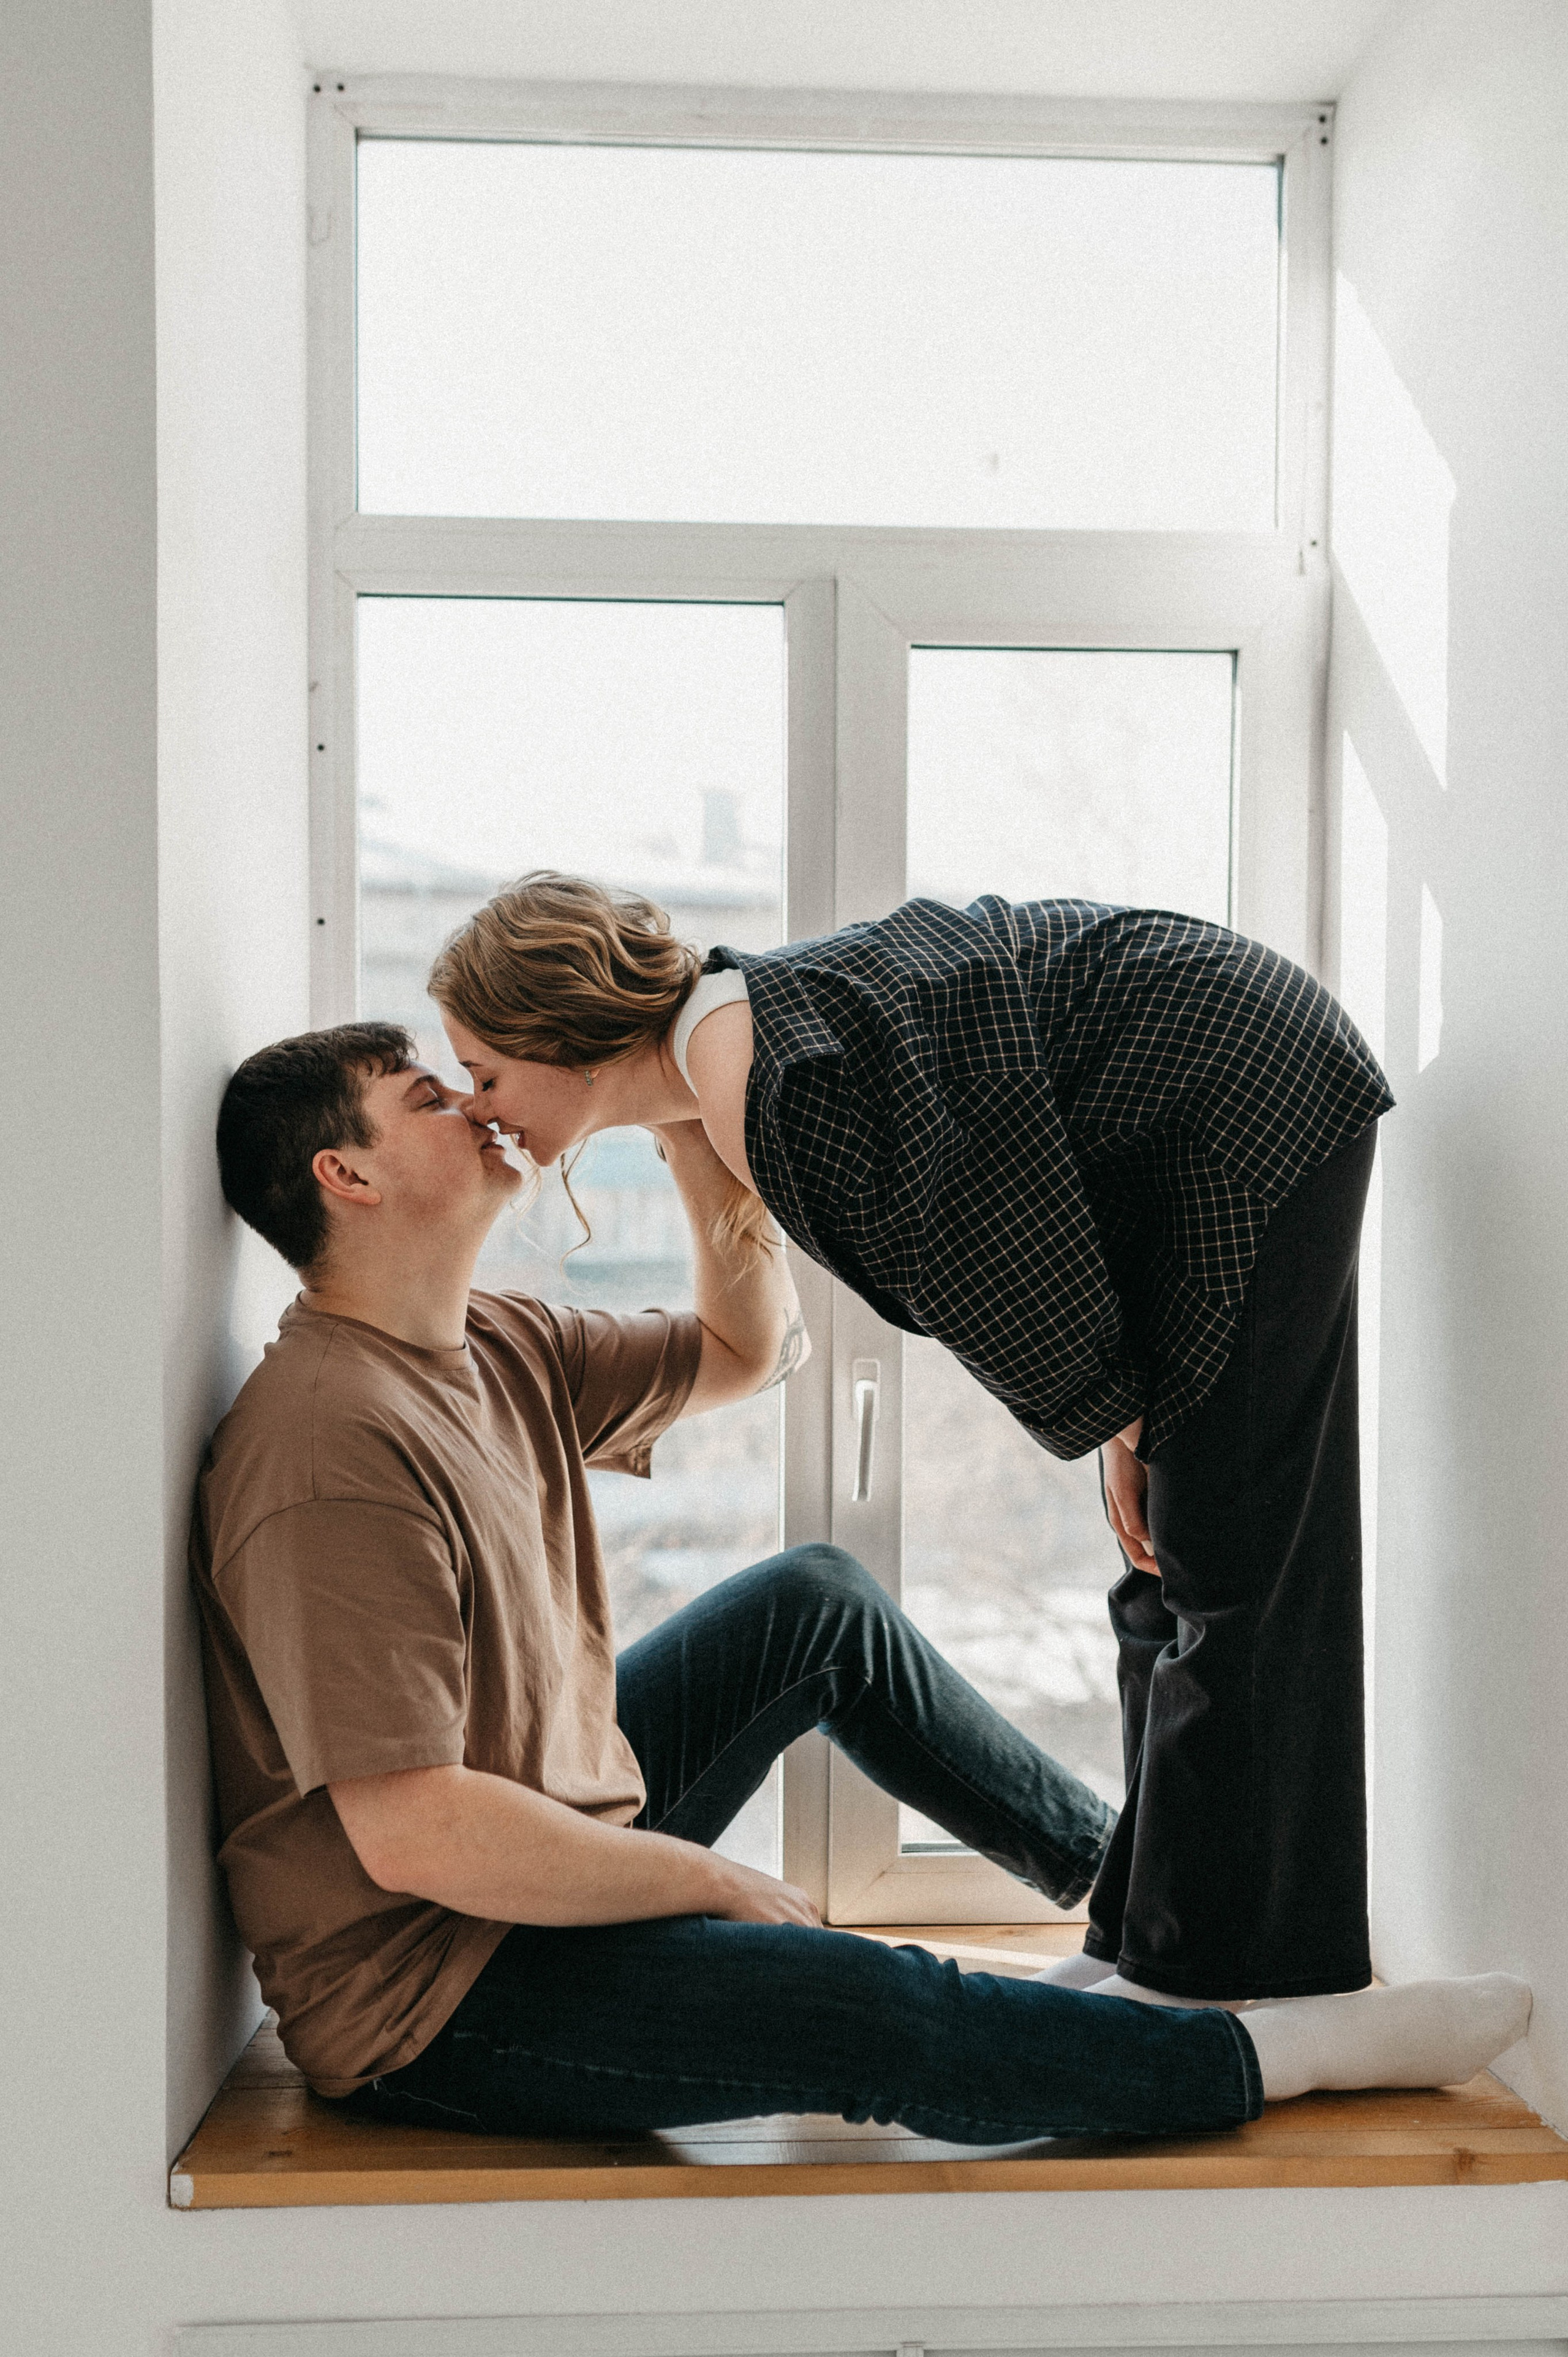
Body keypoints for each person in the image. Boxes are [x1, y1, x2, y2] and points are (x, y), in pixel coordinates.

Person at [190, 1017, 1528, 2144]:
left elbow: (737, 1345)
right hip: (438, 1990)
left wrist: (674, 1119)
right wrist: (700, 1881)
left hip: (547, 1840)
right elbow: (414, 1834)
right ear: (344, 1176)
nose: (476, 1105)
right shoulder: (325, 1445)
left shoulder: (491, 1338)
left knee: (814, 1603)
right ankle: (1283, 2052)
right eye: (429, 1098)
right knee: (871, 2006)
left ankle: (1131, 1906)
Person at [431, 877, 1390, 2008]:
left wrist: (1122, 1415)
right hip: (1180, 1108)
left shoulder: (763, 1080)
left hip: (1247, 1085)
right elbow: (1006, 1219)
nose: (478, 1104)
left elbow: (989, 1261)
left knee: (1236, 1568)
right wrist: (1124, 1422)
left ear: (566, 1036)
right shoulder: (713, 1063)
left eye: (486, 1071)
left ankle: (1228, 1980)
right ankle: (1142, 1936)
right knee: (1163, 1574)